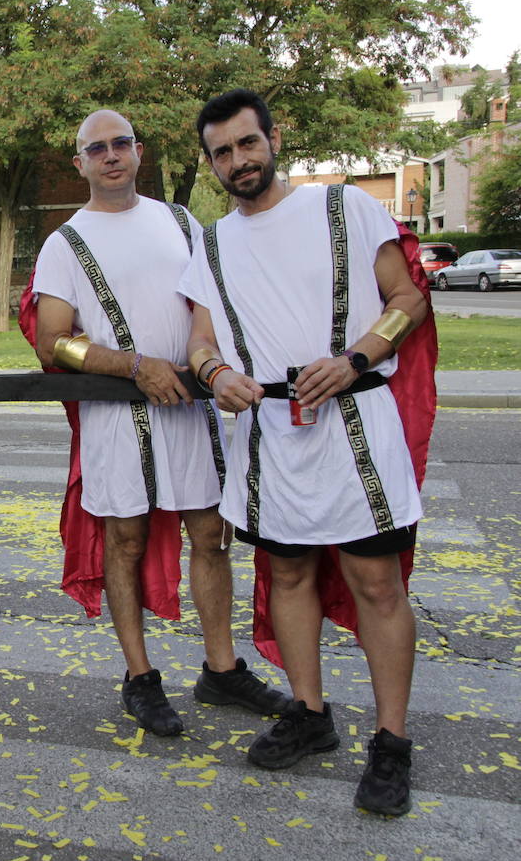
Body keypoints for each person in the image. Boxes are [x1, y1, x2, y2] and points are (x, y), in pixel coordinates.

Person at [179, 89, 433, 816]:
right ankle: (310, 713)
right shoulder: (215, 241)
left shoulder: (343, 206)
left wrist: (355, 358)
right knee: (286, 575)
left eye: (247, 144)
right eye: (222, 152)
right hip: (270, 431)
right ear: (211, 163)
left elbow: (408, 299)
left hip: (354, 420)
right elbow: (200, 339)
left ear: (274, 138)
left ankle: (391, 743)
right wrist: (214, 372)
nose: (238, 161)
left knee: (376, 583)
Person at [22, 109, 291, 736]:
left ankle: (222, 670)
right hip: (118, 413)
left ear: (138, 152)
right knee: (125, 540)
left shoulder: (178, 221)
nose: (111, 155)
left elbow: (214, 302)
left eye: (121, 144)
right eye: (97, 148)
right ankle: (140, 677)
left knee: (209, 536)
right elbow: (51, 342)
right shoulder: (66, 242)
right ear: (80, 162)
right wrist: (135, 365)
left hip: (191, 407)